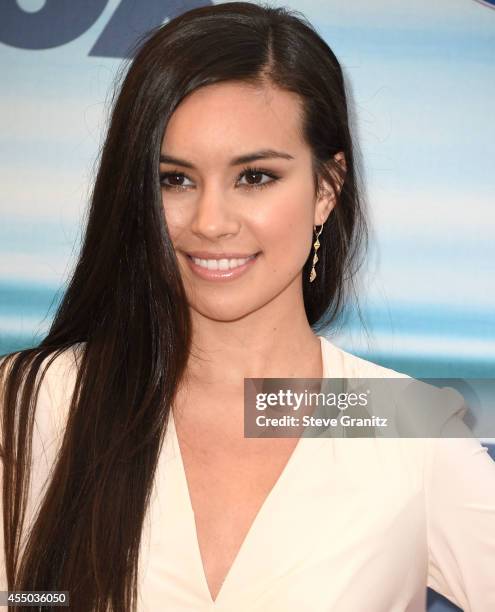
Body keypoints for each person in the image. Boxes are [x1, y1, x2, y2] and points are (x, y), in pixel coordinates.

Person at [1, 2, 494, 611]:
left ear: (326, 190)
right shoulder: (40, 399)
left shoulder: (394, 421)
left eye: (255, 177)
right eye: (174, 179)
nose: (209, 222)